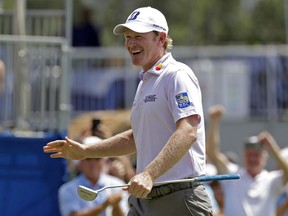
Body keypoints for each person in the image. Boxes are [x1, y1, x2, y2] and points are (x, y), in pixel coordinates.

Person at [44, 6, 213, 216]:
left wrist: (149, 174)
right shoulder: (145, 82)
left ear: (161, 38)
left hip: (178, 199)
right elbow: (136, 137)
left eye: (139, 36)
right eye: (128, 37)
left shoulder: (177, 75)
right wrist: (86, 151)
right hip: (145, 199)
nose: (131, 43)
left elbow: (188, 131)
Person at [206, 104, 288, 216]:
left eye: (256, 155)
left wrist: (273, 149)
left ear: (265, 158)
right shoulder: (233, 176)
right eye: (249, 155)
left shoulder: (271, 180)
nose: (252, 159)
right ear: (244, 156)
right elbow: (213, 153)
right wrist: (214, 121)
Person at [58, 136, 130, 216]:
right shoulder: (67, 189)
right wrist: (103, 206)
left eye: (97, 159)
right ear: (80, 162)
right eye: (88, 159)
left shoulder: (118, 184)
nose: (93, 164)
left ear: (104, 161)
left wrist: (116, 206)